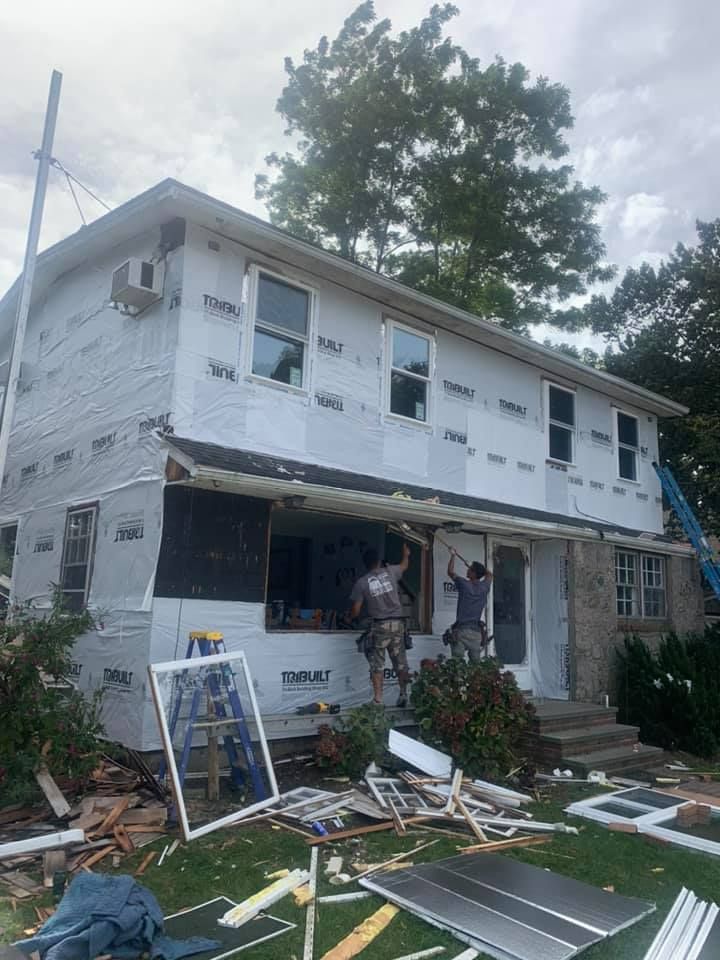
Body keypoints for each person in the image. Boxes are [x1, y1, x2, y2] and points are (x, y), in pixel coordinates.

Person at [350, 543, 411, 707]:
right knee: (400, 662)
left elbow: (355, 609)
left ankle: (378, 700)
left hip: (380, 626)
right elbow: (404, 566)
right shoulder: (391, 571)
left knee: (377, 664)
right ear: (378, 562)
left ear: (365, 564)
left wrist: (351, 618)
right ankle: (404, 694)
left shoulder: (362, 583)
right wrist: (405, 554)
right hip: (398, 624)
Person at [447, 547, 493, 662]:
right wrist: (475, 567)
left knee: (456, 664)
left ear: (473, 573)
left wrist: (453, 556)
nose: (467, 570)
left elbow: (450, 572)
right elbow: (489, 574)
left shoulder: (464, 584)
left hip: (462, 631)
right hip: (476, 633)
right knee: (476, 668)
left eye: (470, 569)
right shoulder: (484, 587)